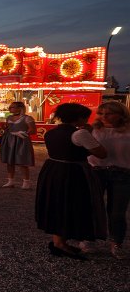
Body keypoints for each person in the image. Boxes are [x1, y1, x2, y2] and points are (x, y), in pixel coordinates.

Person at [35, 103, 107, 259]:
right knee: (71, 204)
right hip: (73, 172)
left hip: (52, 169)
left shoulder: (51, 133)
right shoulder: (80, 134)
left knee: (57, 204)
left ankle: (58, 242)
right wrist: (90, 134)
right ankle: (61, 243)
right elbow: (101, 153)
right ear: (79, 117)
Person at [89, 101, 130, 259]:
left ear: (121, 115)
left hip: (123, 172)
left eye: (109, 113)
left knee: (117, 212)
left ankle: (116, 243)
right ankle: (89, 239)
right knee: (92, 207)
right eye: (101, 113)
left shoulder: (127, 130)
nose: (104, 117)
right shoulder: (93, 129)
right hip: (96, 171)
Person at [0, 101, 36, 189]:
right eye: (10, 107)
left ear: (20, 108)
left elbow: (33, 130)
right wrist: (3, 129)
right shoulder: (9, 117)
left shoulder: (27, 118)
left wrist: (23, 133)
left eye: (12, 107)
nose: (10, 108)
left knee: (22, 161)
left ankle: (26, 182)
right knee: (9, 161)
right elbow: (7, 129)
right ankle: (10, 181)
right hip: (9, 140)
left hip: (21, 140)